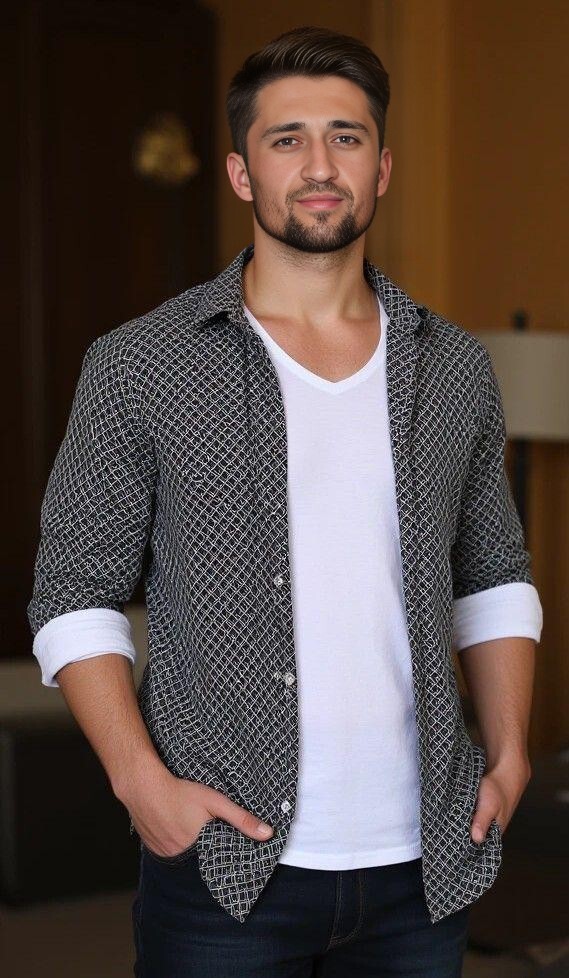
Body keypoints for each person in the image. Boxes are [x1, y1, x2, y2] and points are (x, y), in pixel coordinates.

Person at [27, 25, 543, 978]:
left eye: (345, 137)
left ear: (381, 168)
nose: (318, 166)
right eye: (286, 139)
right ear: (239, 172)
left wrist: (509, 755)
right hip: (221, 861)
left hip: (424, 862)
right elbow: (72, 592)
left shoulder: (455, 367)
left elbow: (495, 577)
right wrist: (140, 785)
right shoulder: (140, 363)